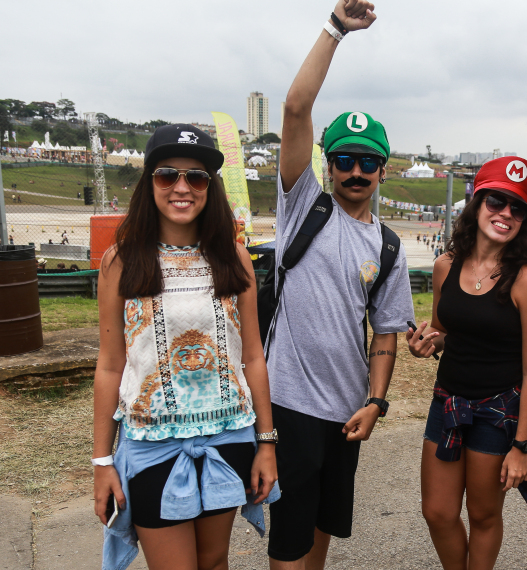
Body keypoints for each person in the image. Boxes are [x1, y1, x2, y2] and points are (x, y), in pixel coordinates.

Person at [92, 124, 279, 570]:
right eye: (167, 175)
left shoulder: (233, 258)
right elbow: (110, 364)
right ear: (149, 182)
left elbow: (253, 355)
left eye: (196, 177)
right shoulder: (122, 261)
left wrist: (266, 443)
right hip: (152, 443)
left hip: (228, 436)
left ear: (209, 187)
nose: (182, 187)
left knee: (214, 563)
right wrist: (102, 460)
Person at [268, 2, 414, 567]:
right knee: (290, 537)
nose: (356, 172)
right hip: (289, 403)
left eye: (368, 163)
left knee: (325, 526)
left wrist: (376, 401)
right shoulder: (303, 205)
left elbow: (384, 334)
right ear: (328, 163)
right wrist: (335, 30)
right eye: (345, 159)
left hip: (347, 409)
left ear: (383, 171)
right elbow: (296, 106)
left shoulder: (389, 247)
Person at [408, 156, 527, 570]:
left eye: (518, 207)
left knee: (484, 515)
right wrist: (427, 345)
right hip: (448, 404)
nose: (505, 213)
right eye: (497, 201)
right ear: (477, 201)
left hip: (497, 412)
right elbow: (442, 332)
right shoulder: (445, 265)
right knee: (437, 511)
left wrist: (521, 447)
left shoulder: (526, 281)